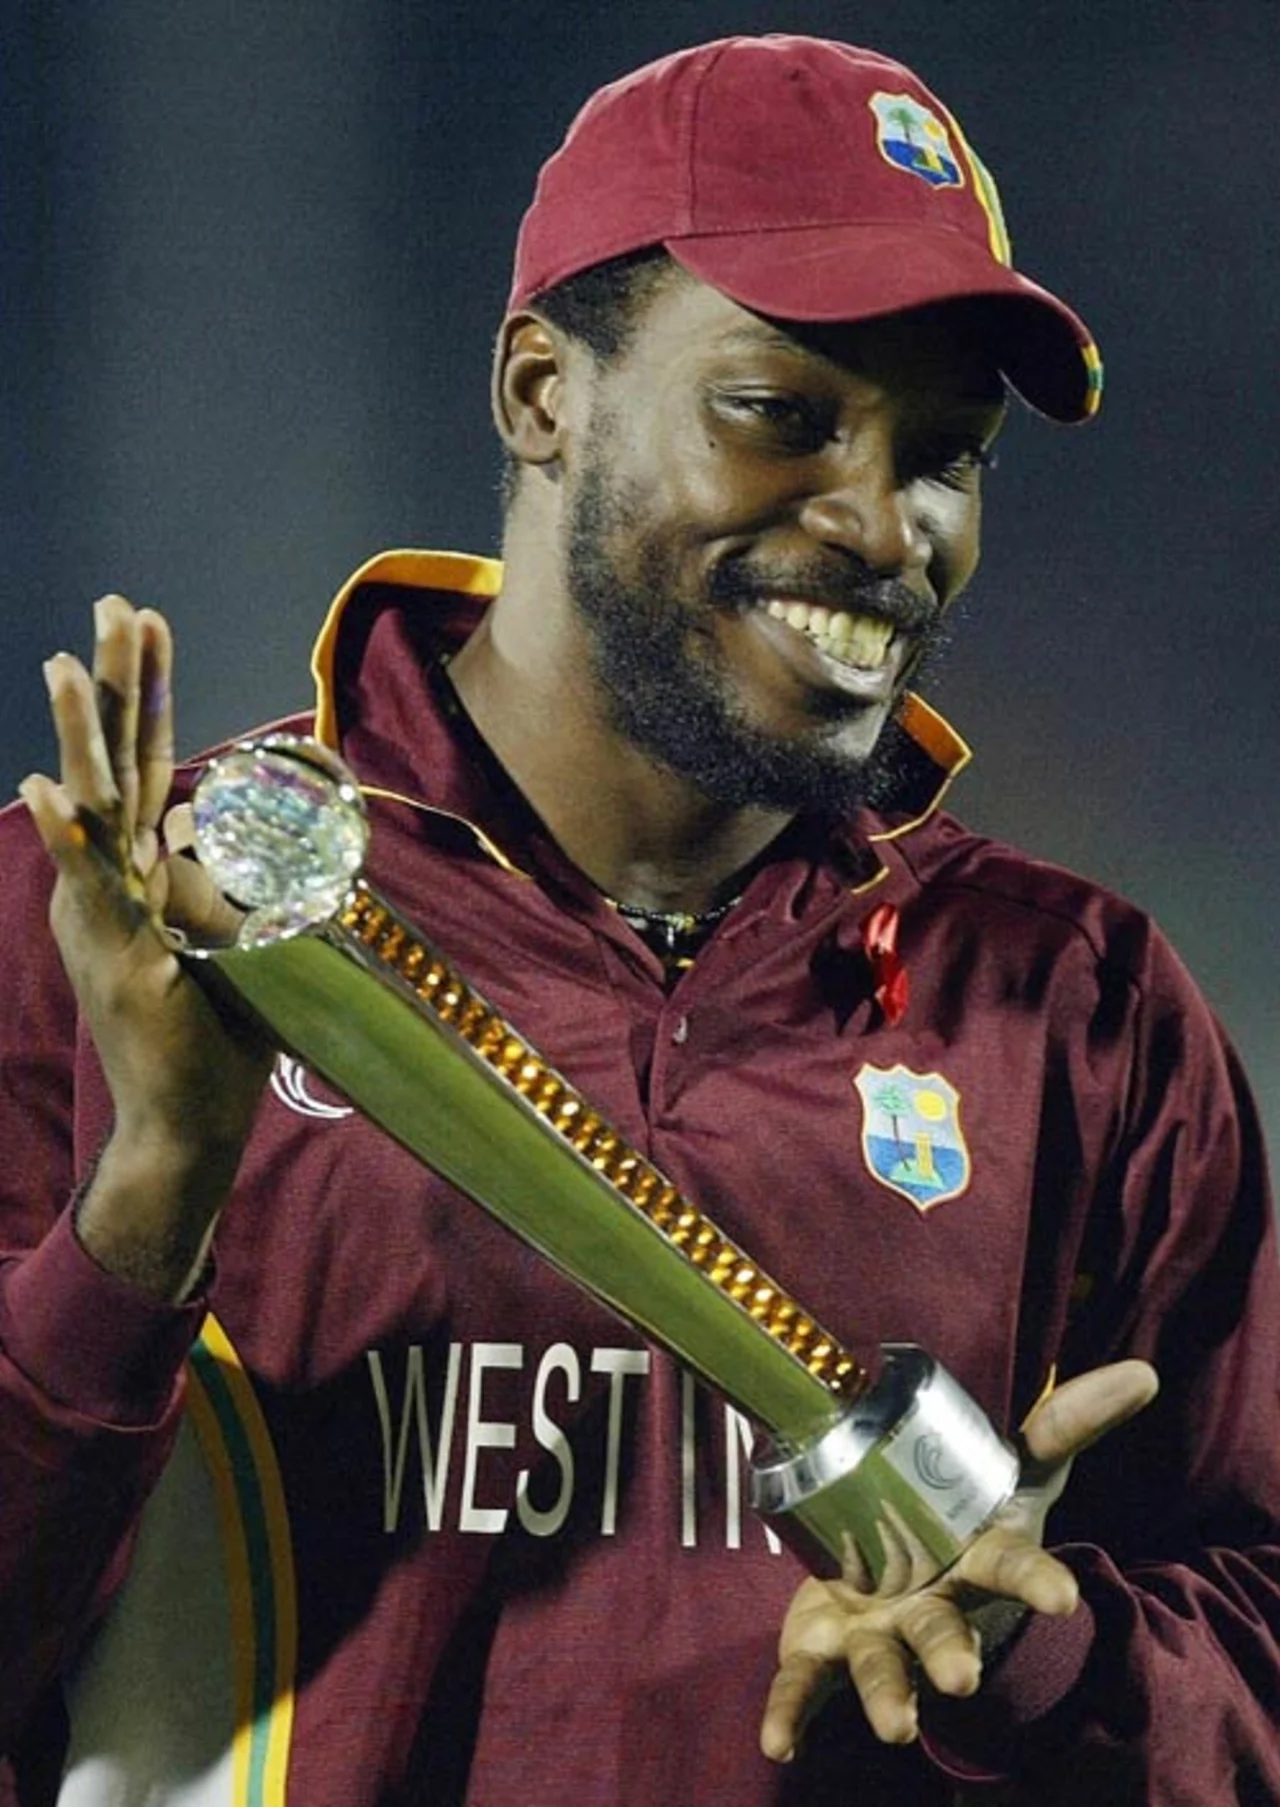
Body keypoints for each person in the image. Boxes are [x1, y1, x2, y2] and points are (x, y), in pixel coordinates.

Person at [2, 33, 1277, 1807]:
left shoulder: (1077, 1012)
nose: (883, 525)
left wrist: (1045, 1653)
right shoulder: (123, 930)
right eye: (785, 413)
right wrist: (141, 1214)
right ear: (542, 393)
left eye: (947, 453)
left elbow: (1261, 1667)